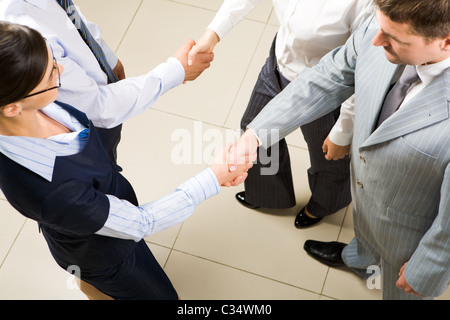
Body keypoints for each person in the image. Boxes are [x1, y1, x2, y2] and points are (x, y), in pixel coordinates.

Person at [0, 22, 253, 300]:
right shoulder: (52, 191)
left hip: (88, 224)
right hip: (106, 253)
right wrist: (213, 178)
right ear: (12, 107)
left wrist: (174, 70)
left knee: (92, 281)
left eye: (54, 59)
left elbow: (103, 106)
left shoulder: (33, 104)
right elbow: (141, 222)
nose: (61, 71)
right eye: (51, 74)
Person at [229, 0, 450, 300]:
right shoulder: (382, 28)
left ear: (445, 42)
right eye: (379, 26)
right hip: (367, 209)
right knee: (364, 243)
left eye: (394, 39)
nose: (375, 40)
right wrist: (255, 136)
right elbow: (326, 79)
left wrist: (430, 267)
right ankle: (358, 259)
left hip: (410, 242)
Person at [188, 0, 373, 228]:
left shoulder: (362, 4)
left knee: (329, 158)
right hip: (278, 69)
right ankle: (269, 195)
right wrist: (211, 36)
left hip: (325, 93)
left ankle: (323, 205)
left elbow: (360, 68)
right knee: (255, 134)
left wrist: (344, 130)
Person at [0, 0, 214, 167]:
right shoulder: (24, 31)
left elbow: (72, 18)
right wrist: (176, 70)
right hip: (88, 127)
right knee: (104, 176)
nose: (59, 69)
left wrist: (107, 59)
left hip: (99, 97)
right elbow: (99, 108)